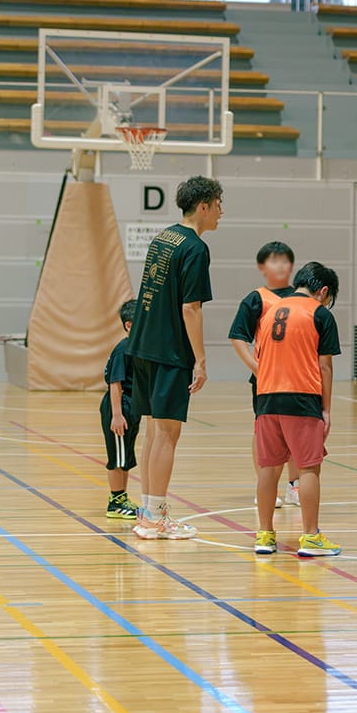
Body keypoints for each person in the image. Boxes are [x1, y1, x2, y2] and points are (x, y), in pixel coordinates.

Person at [127, 176, 222, 541]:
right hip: (169, 352)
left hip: (143, 346)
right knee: (167, 435)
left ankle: (148, 512)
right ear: (203, 206)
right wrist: (200, 359)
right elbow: (191, 308)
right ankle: (154, 518)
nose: (221, 212)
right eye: (218, 205)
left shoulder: (162, 237)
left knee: (154, 432)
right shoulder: (195, 248)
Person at [252, 262, 343, 558]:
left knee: (268, 468)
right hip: (302, 398)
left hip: (266, 397)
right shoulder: (320, 314)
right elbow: (325, 367)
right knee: (308, 467)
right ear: (324, 291)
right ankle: (311, 536)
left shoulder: (270, 312)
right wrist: (326, 409)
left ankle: (264, 535)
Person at [229, 241, 300, 509]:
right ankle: (266, 486)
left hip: (298, 379)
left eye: (284, 260)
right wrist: (257, 368)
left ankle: (295, 485)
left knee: (296, 432)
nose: (280, 265)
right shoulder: (256, 299)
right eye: (273, 260)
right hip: (267, 381)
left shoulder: (301, 298)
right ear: (262, 267)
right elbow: (238, 337)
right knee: (263, 432)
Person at [100, 300, 141, 521]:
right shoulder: (123, 349)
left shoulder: (137, 347)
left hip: (131, 407)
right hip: (120, 406)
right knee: (117, 456)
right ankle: (115, 501)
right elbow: (115, 383)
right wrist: (116, 414)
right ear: (128, 325)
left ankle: (122, 498)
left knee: (126, 454)